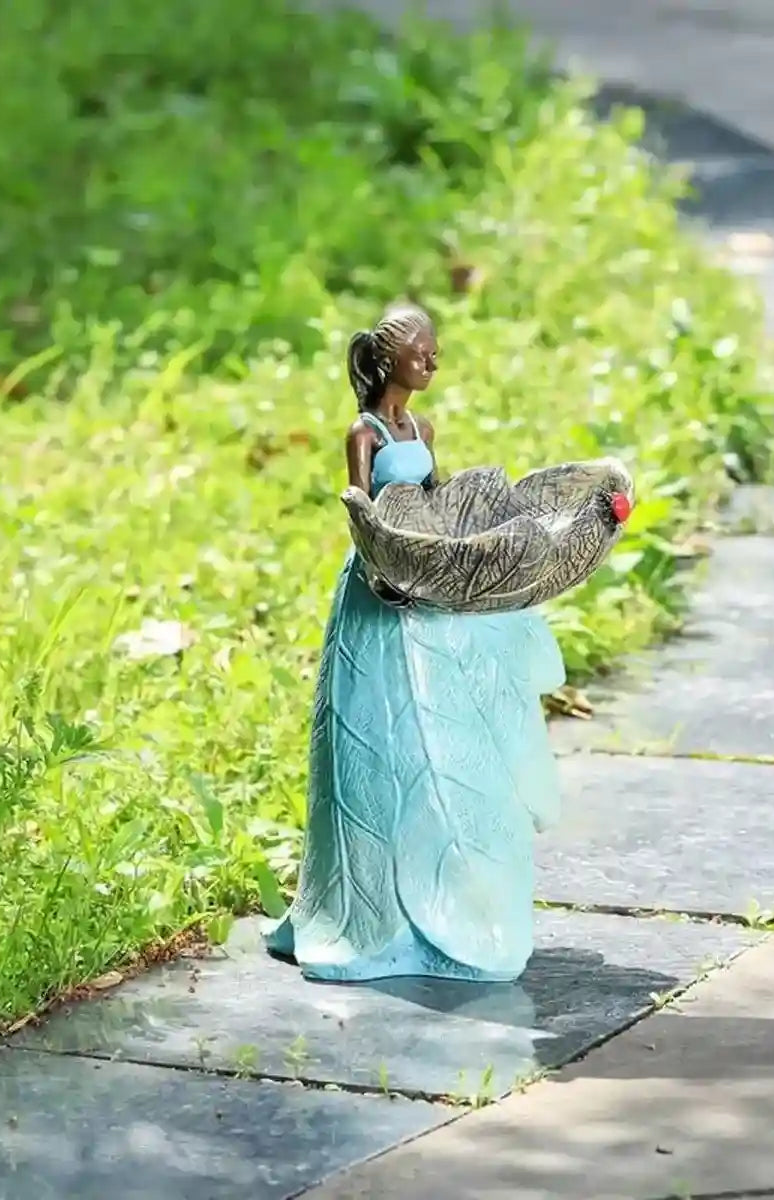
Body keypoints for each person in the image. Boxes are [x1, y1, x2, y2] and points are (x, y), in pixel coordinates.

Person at [262, 303, 565, 982]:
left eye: (435, 351)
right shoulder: (363, 432)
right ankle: (368, 907)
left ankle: (445, 894)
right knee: (378, 726)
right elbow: (362, 507)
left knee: (438, 726)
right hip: (380, 589)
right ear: (389, 359)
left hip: (425, 590)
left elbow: (437, 502)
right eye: (421, 351)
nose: (432, 361)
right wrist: (385, 564)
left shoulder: (421, 429)